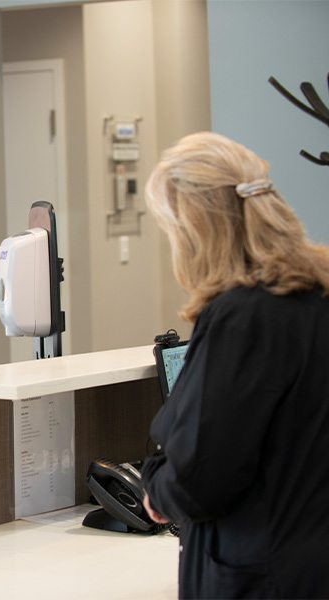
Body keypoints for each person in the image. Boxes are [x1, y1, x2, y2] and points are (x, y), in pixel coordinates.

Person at [140, 131, 329, 599]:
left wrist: (156, 493)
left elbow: (203, 476)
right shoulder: (318, 292)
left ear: (193, 229)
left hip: (264, 572)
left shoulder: (243, 316)